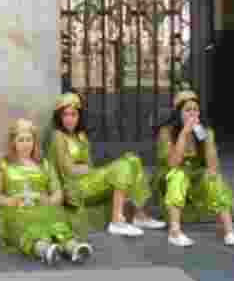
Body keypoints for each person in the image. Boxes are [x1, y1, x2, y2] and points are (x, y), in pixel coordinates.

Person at [46, 92, 160, 238]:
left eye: (73, 114)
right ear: (59, 117)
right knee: (122, 166)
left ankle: (139, 215)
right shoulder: (58, 136)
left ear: (79, 116)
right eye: (65, 115)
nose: (69, 119)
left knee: (132, 159)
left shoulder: (80, 136)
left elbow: (86, 166)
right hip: (74, 189)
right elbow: (68, 170)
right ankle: (117, 221)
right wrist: (91, 169)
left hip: (87, 181)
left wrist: (89, 169)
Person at [0, 118, 92, 265]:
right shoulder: (3, 164)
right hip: (15, 209)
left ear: (34, 142)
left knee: (54, 215)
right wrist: (10, 201)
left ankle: (72, 247)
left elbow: (57, 192)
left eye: (29, 140)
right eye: (21, 140)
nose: (25, 144)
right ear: (13, 142)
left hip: (42, 206)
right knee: (22, 221)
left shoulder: (44, 164)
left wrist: (48, 200)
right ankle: (44, 250)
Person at [153, 89, 234, 247]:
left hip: (195, 177)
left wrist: (206, 139)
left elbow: (213, 167)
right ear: (178, 113)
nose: (192, 113)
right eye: (187, 110)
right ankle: (175, 232)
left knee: (213, 177)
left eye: (195, 110)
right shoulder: (166, 132)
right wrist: (184, 134)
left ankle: (228, 230)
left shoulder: (205, 131)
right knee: (177, 175)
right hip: (171, 180)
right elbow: (172, 164)